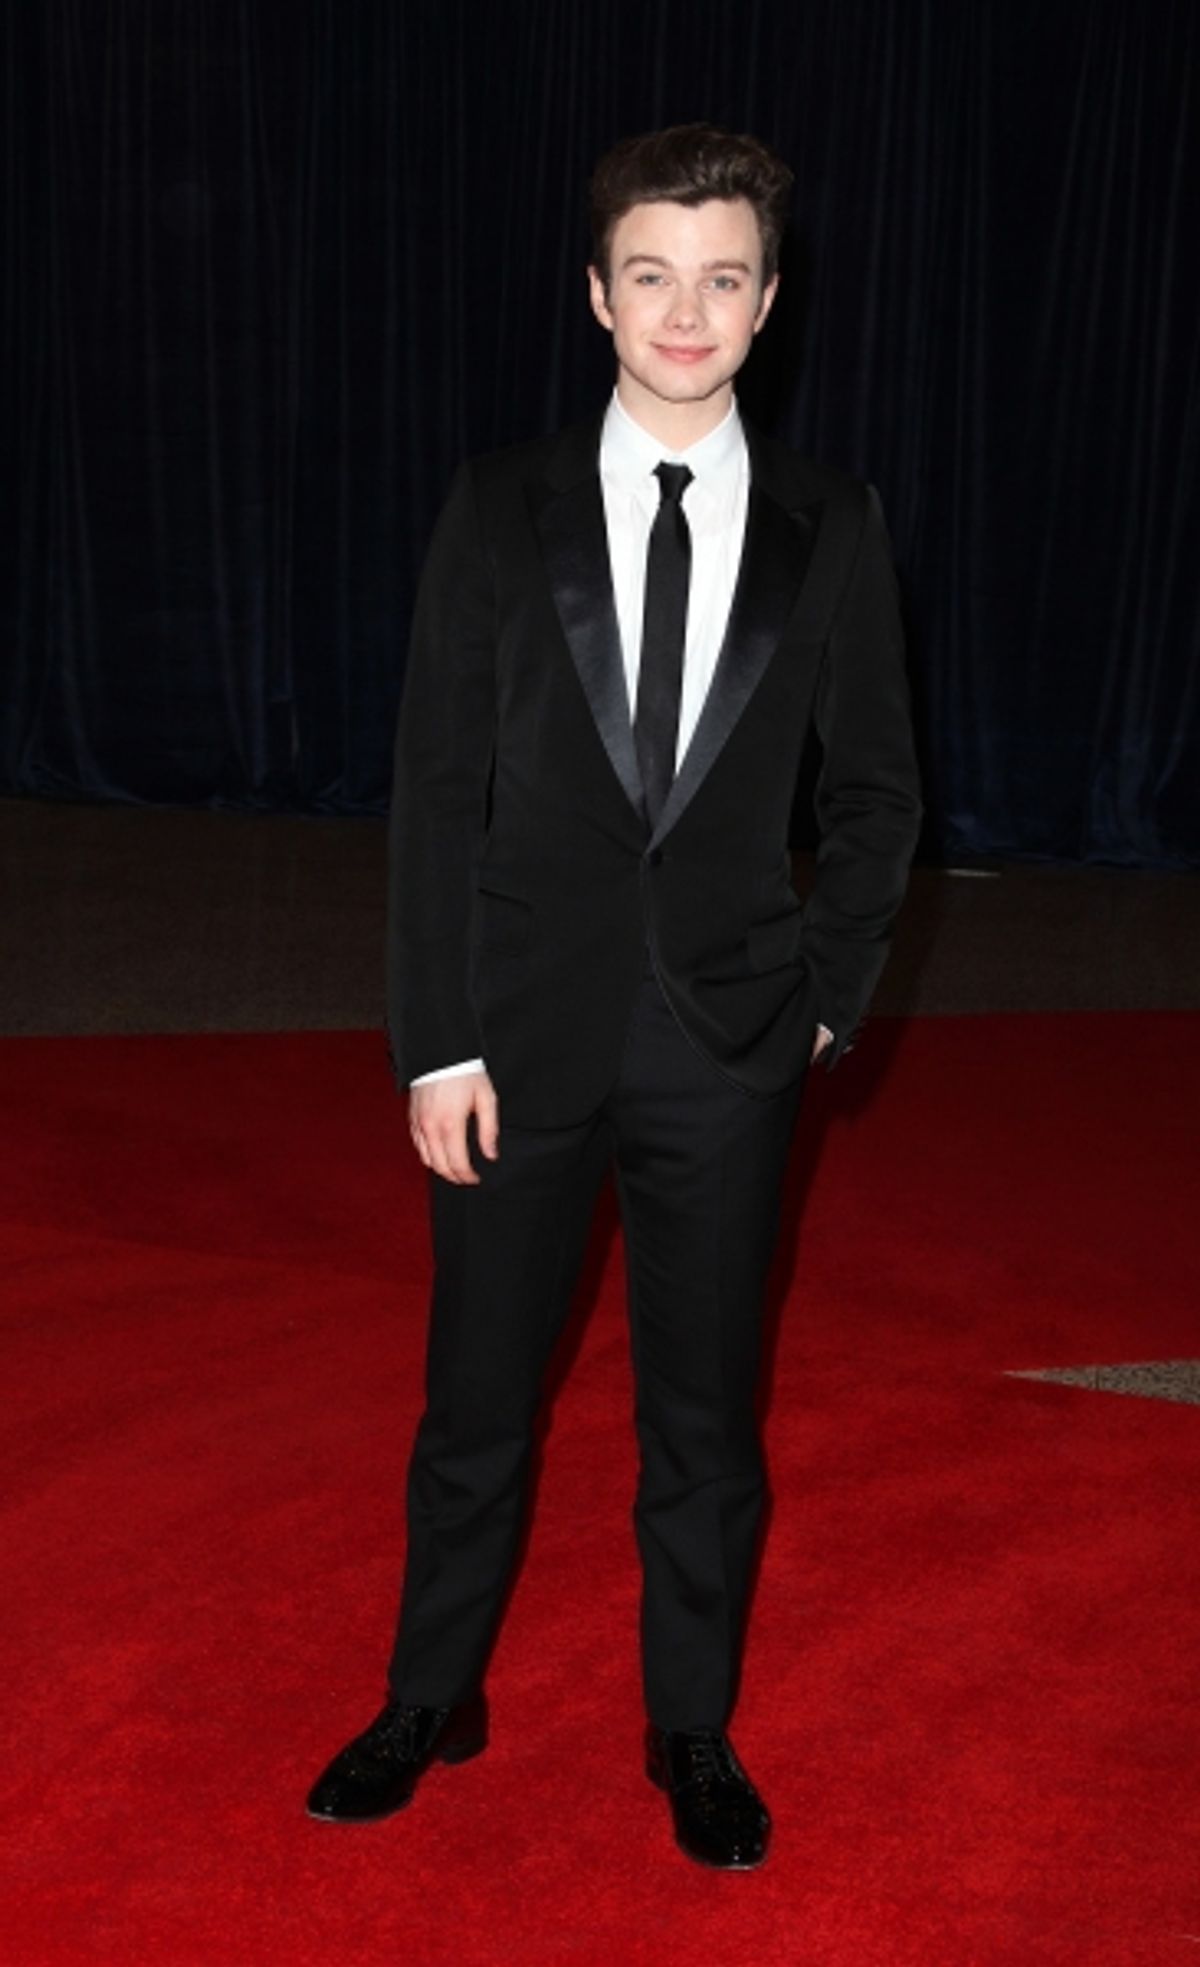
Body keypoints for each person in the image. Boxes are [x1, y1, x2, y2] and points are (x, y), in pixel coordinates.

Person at [307, 123, 922, 1870]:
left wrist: (826, 996)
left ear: (768, 302)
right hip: (515, 1039)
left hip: (732, 1046)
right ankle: (432, 1693)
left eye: (723, 276)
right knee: (477, 1402)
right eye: (652, 272)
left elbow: (878, 795)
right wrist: (436, 1039)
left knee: (704, 1421)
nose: (687, 307)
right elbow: (435, 790)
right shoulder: (497, 506)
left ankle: (691, 1728)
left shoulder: (837, 525)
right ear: (597, 292)